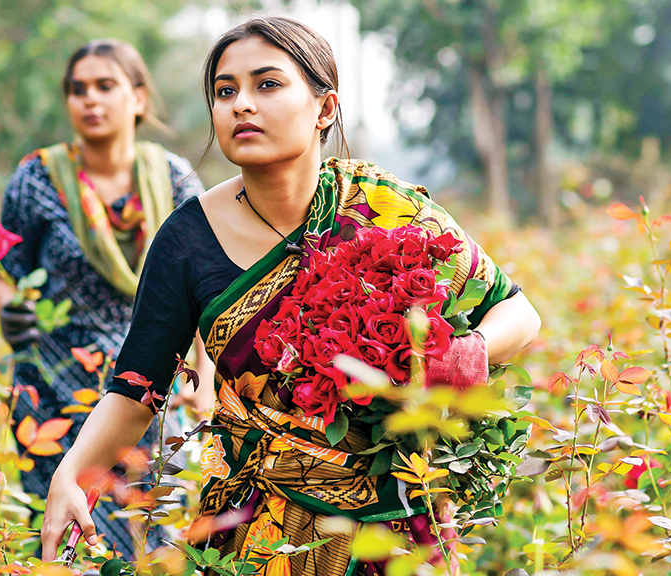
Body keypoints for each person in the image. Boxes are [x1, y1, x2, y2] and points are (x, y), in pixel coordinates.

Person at [40, 17, 541, 575]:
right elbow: (137, 391)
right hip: (258, 531)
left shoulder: (383, 207)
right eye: (225, 91)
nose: (241, 105)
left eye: (267, 84)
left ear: (325, 108)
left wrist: (452, 359)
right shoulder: (186, 239)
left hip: (396, 523)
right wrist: (71, 474)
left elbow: (517, 312)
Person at [0, 39, 214, 560]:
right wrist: (8, 308)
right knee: (64, 536)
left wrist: (204, 381)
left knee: (151, 535)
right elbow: (0, 273)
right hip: (53, 384)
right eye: (77, 89)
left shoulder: (176, 180)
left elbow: (200, 287)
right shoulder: (37, 178)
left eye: (105, 86)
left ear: (137, 98)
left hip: (149, 384)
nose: (90, 100)